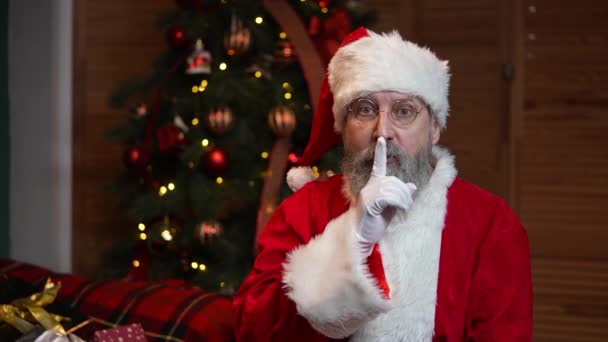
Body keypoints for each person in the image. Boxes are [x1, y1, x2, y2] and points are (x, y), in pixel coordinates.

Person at [232, 27, 533, 341]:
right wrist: (353, 239)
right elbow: (253, 330)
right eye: (365, 110)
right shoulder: (303, 210)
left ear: (434, 128)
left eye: (404, 112)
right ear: (342, 127)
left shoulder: (491, 224)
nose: (383, 132)